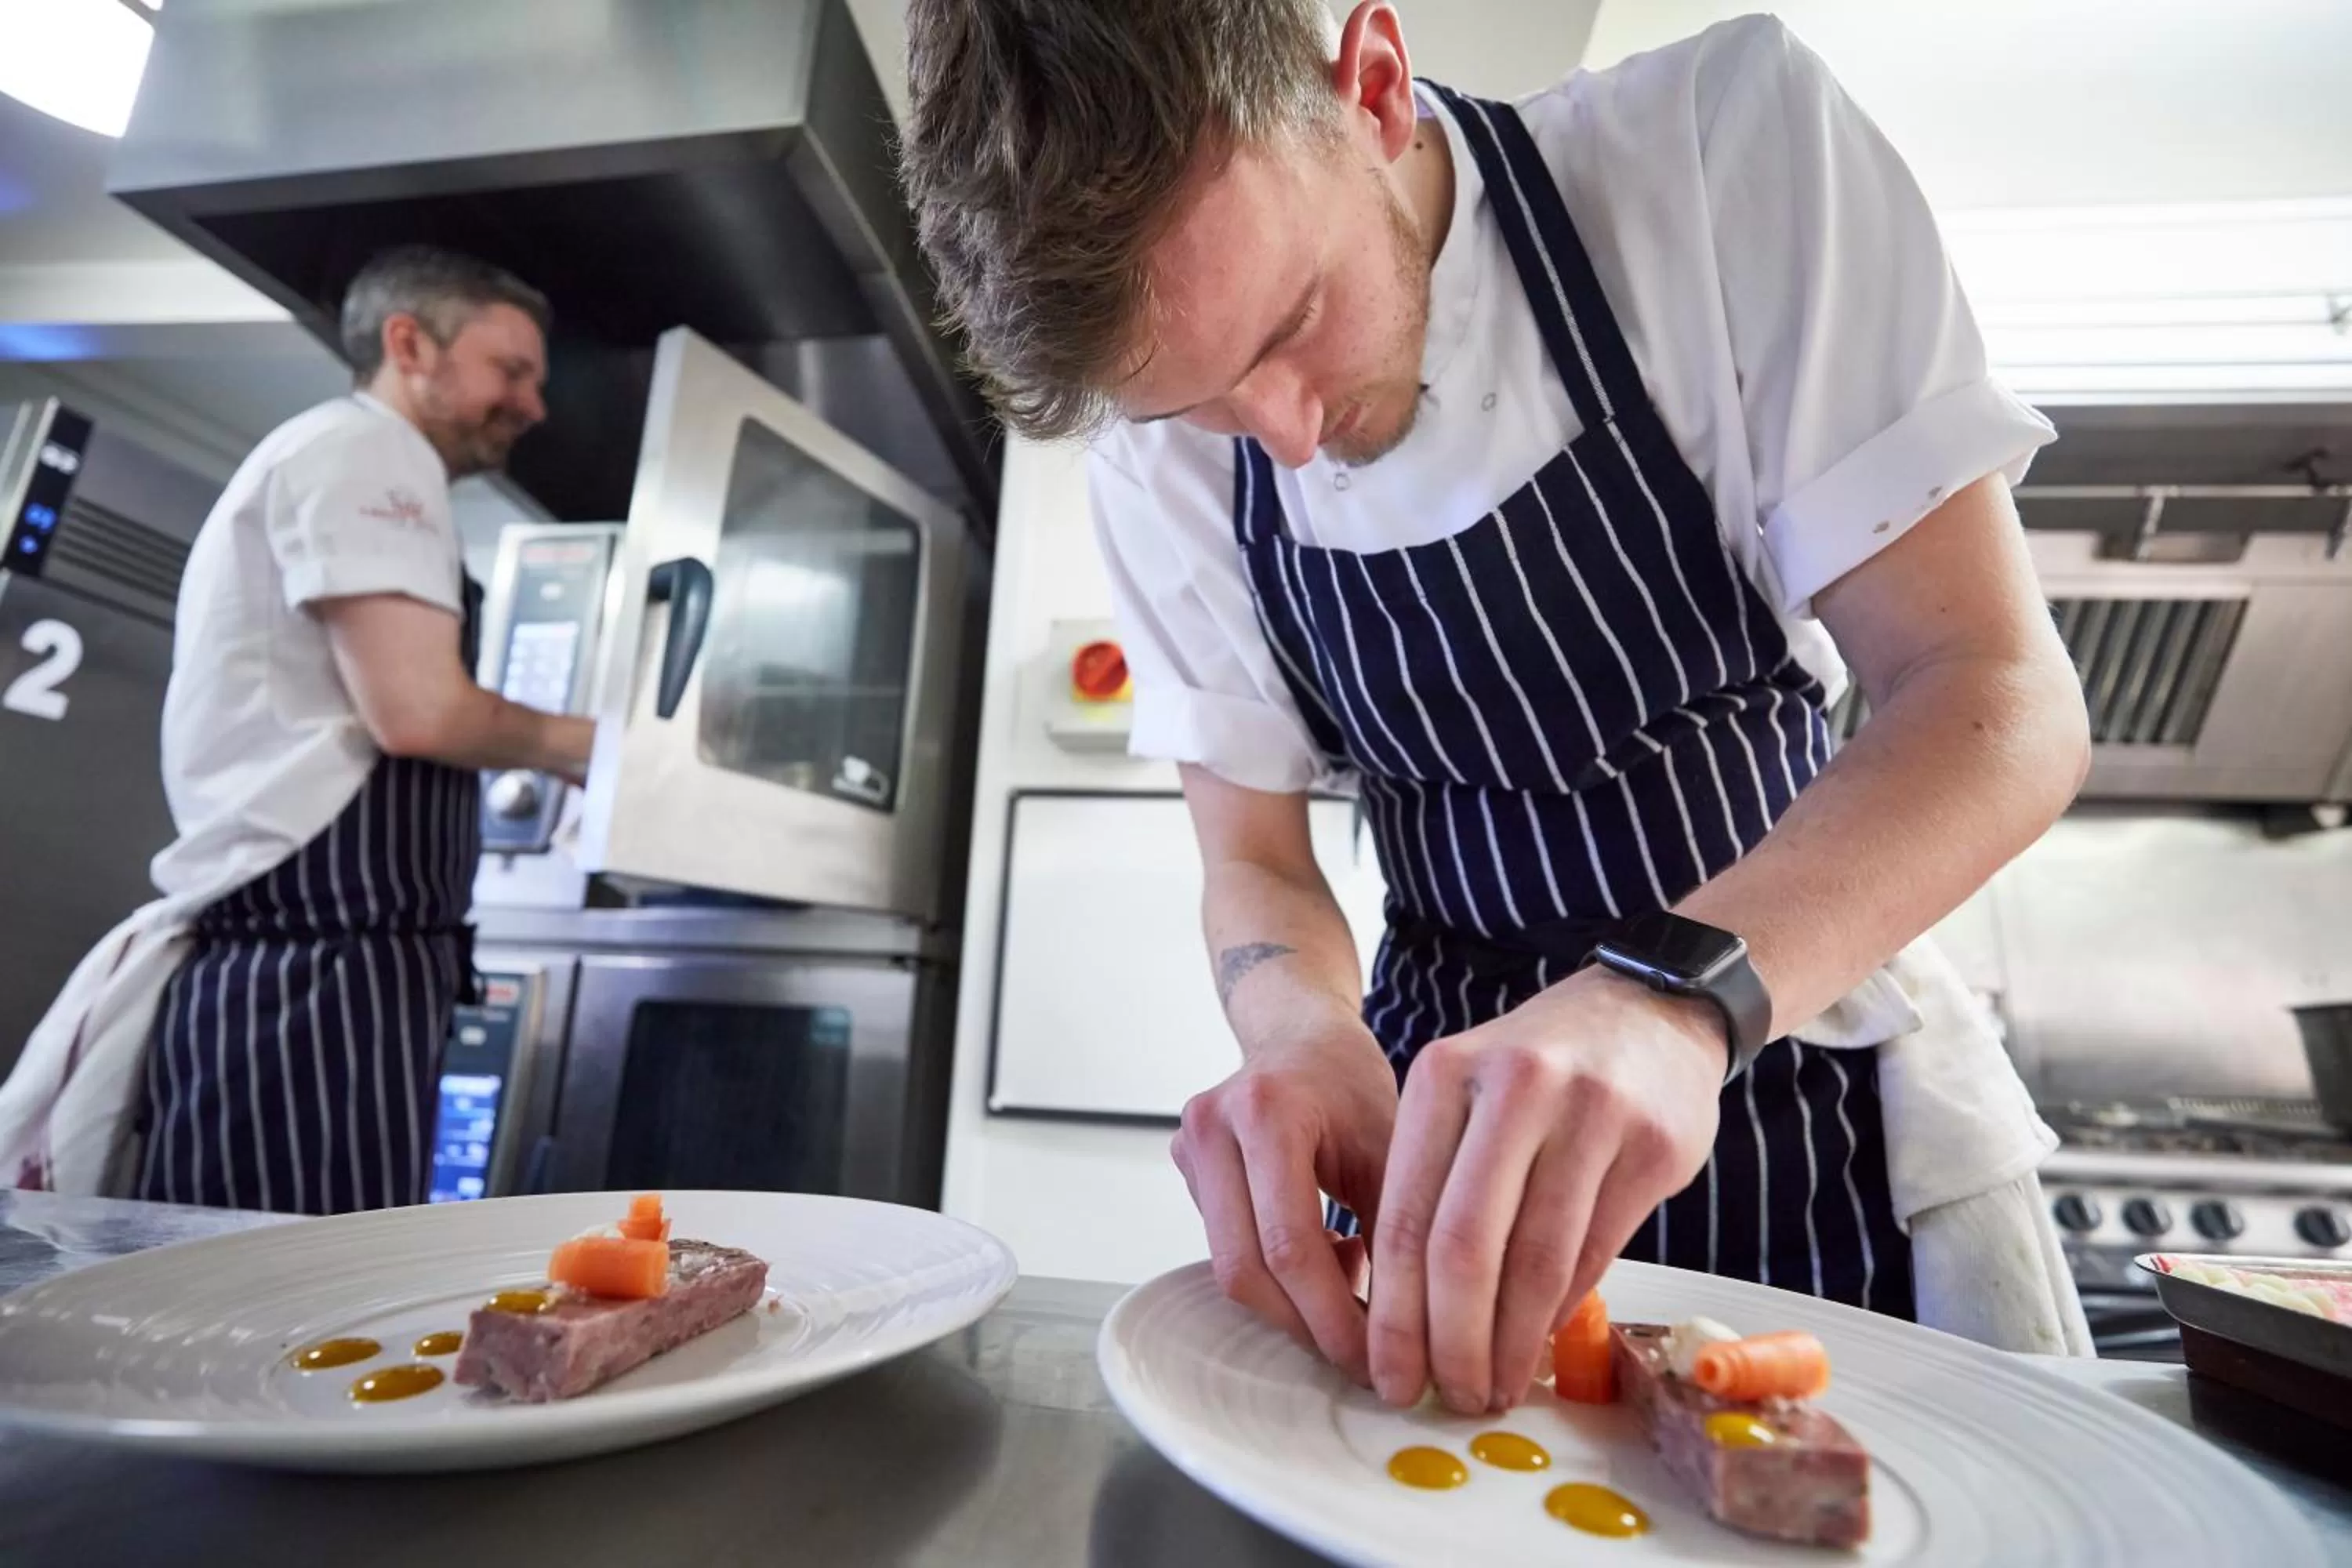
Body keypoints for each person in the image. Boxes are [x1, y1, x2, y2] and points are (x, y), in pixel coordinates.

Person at [901, 1, 2095, 1414]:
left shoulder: (1711, 157)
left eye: (1294, 322)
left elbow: (1995, 697)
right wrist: (1299, 1036)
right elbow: (1257, 863)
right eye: (1203, 404)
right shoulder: (1155, 465)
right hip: (1432, 1137)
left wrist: (1670, 1005)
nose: (1283, 436)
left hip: (1785, 1070)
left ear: (1377, 89)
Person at [0, 245, 592, 1214]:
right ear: (411, 344)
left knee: (304, 1303)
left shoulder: (361, 463)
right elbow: (420, 712)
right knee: (278, 1317)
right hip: (314, 963)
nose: (532, 404)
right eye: (510, 369)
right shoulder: (364, 449)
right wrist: (611, 754)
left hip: (346, 959)